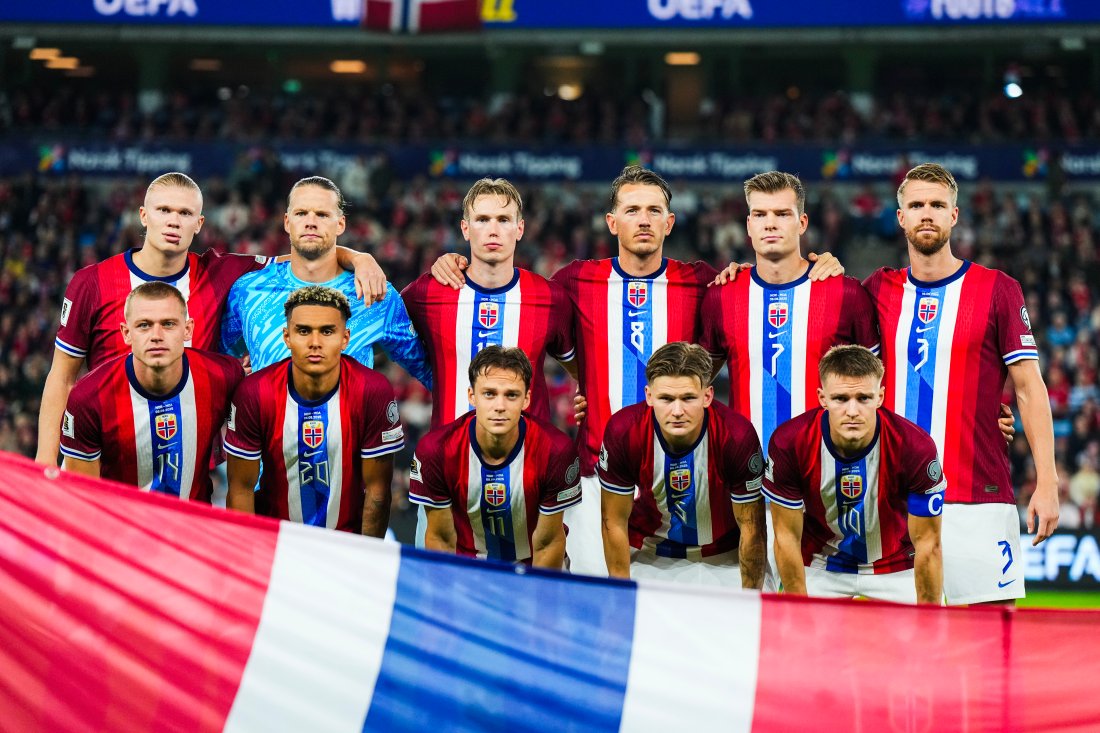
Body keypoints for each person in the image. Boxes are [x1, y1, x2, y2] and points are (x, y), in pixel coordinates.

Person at [431, 166, 842, 575]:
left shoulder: (705, 283)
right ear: (612, 222)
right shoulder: (574, 282)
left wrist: (820, 261)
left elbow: (739, 318)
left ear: (670, 222)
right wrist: (453, 262)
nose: (643, 220)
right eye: (631, 210)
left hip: (688, 475)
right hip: (596, 477)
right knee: (600, 607)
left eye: (653, 210)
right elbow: (544, 344)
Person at [38, 171, 386, 466]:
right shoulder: (92, 282)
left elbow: (305, 257)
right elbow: (62, 377)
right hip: (101, 462)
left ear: (199, 223)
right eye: (164, 210)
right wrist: (44, 462)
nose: (174, 220)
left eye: (185, 213)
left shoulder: (221, 273)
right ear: (143, 215)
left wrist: (357, 257)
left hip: (186, 470)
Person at [864, 163, 1059, 605]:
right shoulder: (877, 290)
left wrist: (1046, 483)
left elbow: (1029, 388)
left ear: (955, 215)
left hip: (978, 497)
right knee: (901, 657)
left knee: (993, 648)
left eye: (937, 204)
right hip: (895, 502)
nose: (926, 213)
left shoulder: (997, 289)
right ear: (901, 218)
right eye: (916, 205)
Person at [700, 171, 879, 457]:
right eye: (760, 214)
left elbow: (877, 385)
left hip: (826, 473)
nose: (770, 223)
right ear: (748, 225)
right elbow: (697, 385)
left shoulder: (847, 295)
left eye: (783, 214)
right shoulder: (721, 296)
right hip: (744, 476)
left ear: (803, 223)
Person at [763, 345, 945, 604]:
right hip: (821, 565)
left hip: (898, 566)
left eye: (863, 398)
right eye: (840, 399)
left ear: (880, 397)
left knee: (929, 641)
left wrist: (929, 619)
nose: (852, 411)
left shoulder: (914, 447)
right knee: (802, 642)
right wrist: (798, 609)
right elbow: (786, 538)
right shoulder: (790, 443)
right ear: (822, 397)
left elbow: (928, 543)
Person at [224, 286, 403, 536]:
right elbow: (240, 489)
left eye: (327, 331)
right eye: (303, 331)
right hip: (275, 545)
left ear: (345, 338)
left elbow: (378, 492)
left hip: (345, 547)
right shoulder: (255, 392)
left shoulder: (371, 390)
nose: (315, 343)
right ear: (287, 337)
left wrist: (364, 561)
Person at [221, 176, 432, 386]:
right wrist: (233, 377)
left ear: (340, 224)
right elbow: (209, 361)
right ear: (287, 222)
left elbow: (431, 374)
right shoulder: (247, 291)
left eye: (322, 215)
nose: (311, 222)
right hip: (265, 419)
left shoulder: (375, 294)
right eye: (301, 213)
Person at [402, 177, 577, 426]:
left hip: (531, 458)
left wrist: (584, 399)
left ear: (520, 229)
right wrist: (357, 259)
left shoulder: (551, 298)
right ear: (465, 228)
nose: (493, 230)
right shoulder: (428, 292)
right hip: (451, 459)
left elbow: (581, 370)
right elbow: (385, 328)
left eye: (504, 220)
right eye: (482, 220)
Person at [598, 342, 767, 589]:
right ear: (649, 396)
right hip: (651, 555)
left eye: (688, 398)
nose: (677, 411)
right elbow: (613, 521)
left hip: (725, 558)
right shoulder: (624, 432)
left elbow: (752, 529)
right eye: (666, 398)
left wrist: (750, 600)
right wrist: (621, 594)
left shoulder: (737, 436)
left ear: (707, 396)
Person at [59, 281, 243, 502]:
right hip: (122, 530)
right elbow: (82, 499)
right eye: (144, 325)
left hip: (193, 530)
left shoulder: (224, 376)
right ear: (126, 333)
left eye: (168, 324)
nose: (156, 335)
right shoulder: (89, 398)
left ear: (187, 330)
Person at [408, 346, 581, 569]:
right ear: (471, 396)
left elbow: (547, 544)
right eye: (489, 393)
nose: (499, 406)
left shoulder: (555, 451)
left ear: (527, 399)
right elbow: (441, 539)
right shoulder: (436, 451)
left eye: (511, 395)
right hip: (466, 572)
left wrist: (535, 601)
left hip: (534, 571)